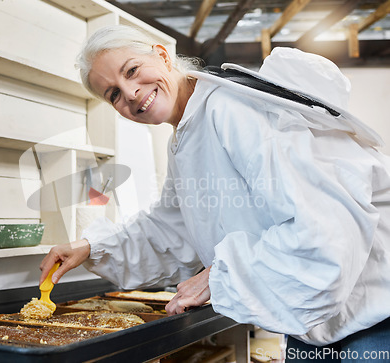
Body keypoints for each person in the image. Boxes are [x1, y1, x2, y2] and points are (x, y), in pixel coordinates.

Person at [39, 25, 390, 361]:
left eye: (132, 70)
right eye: (113, 93)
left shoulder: (231, 107)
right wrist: (92, 247)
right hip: (317, 323)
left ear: (162, 55)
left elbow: (324, 226)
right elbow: (173, 229)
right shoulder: (186, 133)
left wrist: (220, 275)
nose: (130, 93)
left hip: (373, 309)